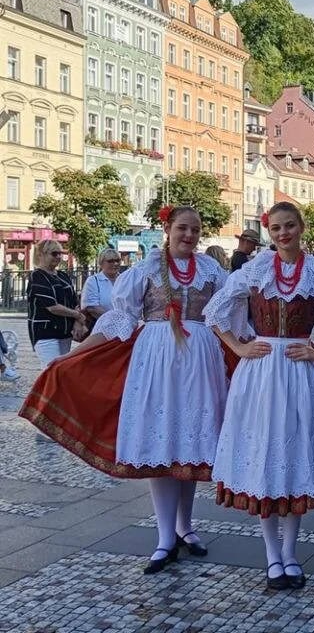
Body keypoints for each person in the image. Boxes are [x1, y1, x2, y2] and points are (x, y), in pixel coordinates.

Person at [20, 207, 231, 574]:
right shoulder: (145, 270)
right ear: (167, 229)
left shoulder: (213, 272)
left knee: (190, 445)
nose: (189, 235)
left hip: (201, 364)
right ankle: (166, 537)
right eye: (182, 228)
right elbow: (119, 320)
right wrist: (73, 356)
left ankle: (185, 526)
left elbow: (231, 315)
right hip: (156, 363)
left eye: (195, 230)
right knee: (161, 443)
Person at [204, 202, 314, 591]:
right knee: (264, 455)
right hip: (259, 374)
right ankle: (271, 555)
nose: (283, 234)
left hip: (299, 371)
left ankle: (290, 552)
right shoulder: (256, 268)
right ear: (268, 231)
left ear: (301, 227)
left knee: (294, 458)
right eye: (276, 227)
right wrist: (239, 347)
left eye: (289, 226)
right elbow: (214, 312)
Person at [27, 240, 84, 368]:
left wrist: (77, 321)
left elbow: (75, 301)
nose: (58, 257)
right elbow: (52, 306)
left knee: (62, 369)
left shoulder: (63, 276)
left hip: (64, 331)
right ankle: (42, 389)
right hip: (45, 331)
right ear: (41, 255)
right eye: (54, 253)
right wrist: (76, 315)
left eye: (60, 253)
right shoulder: (37, 276)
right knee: (52, 368)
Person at [81, 248, 121, 321]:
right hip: (100, 325)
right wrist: (115, 319)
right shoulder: (93, 281)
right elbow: (92, 308)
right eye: (110, 261)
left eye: (117, 260)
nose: (115, 264)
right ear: (101, 263)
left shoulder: (124, 280)